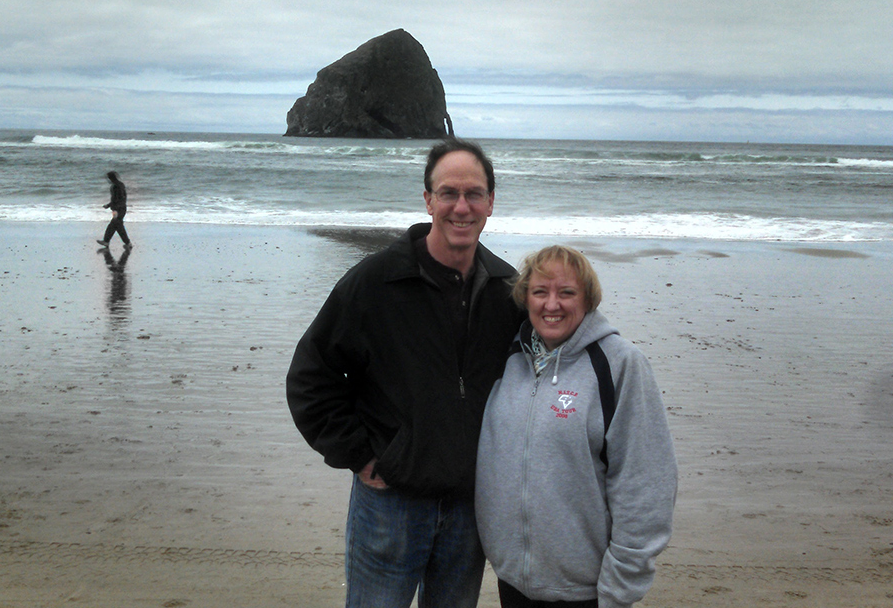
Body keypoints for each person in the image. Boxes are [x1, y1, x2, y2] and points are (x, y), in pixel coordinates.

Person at [287, 138, 525, 608]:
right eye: (448, 193)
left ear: (491, 203)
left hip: (468, 508)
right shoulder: (375, 283)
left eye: (474, 193)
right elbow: (311, 377)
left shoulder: (506, 291)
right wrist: (360, 455)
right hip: (390, 504)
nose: (462, 206)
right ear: (428, 200)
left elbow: (541, 372)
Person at [476, 246, 677, 608]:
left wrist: (620, 589)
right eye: (540, 292)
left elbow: (646, 483)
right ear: (526, 299)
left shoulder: (620, 364)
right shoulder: (510, 359)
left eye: (566, 293)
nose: (552, 305)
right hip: (511, 581)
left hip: (588, 591)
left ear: (588, 299)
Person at [98, 171, 131, 248]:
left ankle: (127, 243)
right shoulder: (121, 185)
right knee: (116, 225)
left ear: (110, 178)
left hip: (117, 209)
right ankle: (107, 241)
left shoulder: (115, 186)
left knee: (115, 225)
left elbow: (115, 199)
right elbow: (122, 197)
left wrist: (109, 205)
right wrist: (110, 205)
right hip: (122, 208)